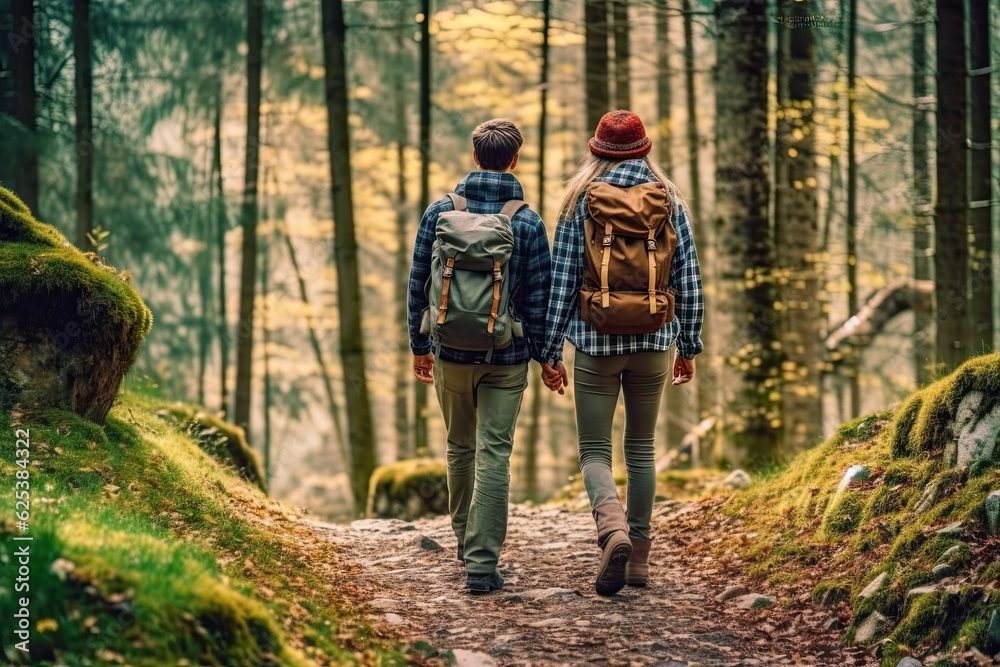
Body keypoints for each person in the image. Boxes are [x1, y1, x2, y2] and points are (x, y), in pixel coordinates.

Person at [540, 110, 704, 596]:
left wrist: (548, 351)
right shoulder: (669, 201)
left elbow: (562, 282)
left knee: (594, 450)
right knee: (642, 449)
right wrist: (688, 344)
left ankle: (611, 531)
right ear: (645, 149)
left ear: (596, 152)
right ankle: (639, 561)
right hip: (654, 340)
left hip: (595, 341)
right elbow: (689, 279)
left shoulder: (577, 203)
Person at [407, 118, 552, 594]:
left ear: (474, 157)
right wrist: (547, 355)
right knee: (495, 453)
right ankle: (482, 565)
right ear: (514, 159)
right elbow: (538, 298)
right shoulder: (527, 221)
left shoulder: (438, 212)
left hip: (449, 350)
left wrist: (420, 345)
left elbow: (417, 285)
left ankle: (464, 544)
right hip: (507, 357)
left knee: (459, 447)